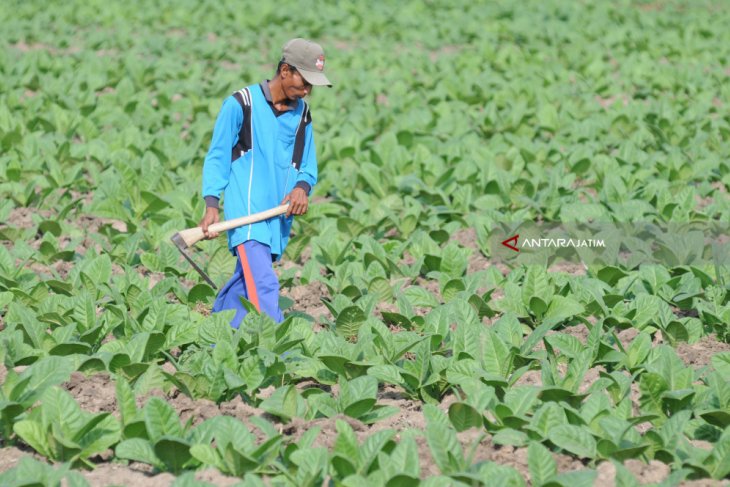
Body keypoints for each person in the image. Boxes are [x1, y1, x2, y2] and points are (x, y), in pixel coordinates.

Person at [199, 38, 331, 329]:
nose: (308, 90)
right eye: (304, 81)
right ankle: (279, 355)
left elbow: (307, 166)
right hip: (246, 216)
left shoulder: (302, 115)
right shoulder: (240, 105)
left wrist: (302, 188)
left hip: (276, 218)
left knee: (243, 287)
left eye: (312, 85)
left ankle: (215, 340)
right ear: (285, 70)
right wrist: (211, 203)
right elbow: (217, 156)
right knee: (264, 285)